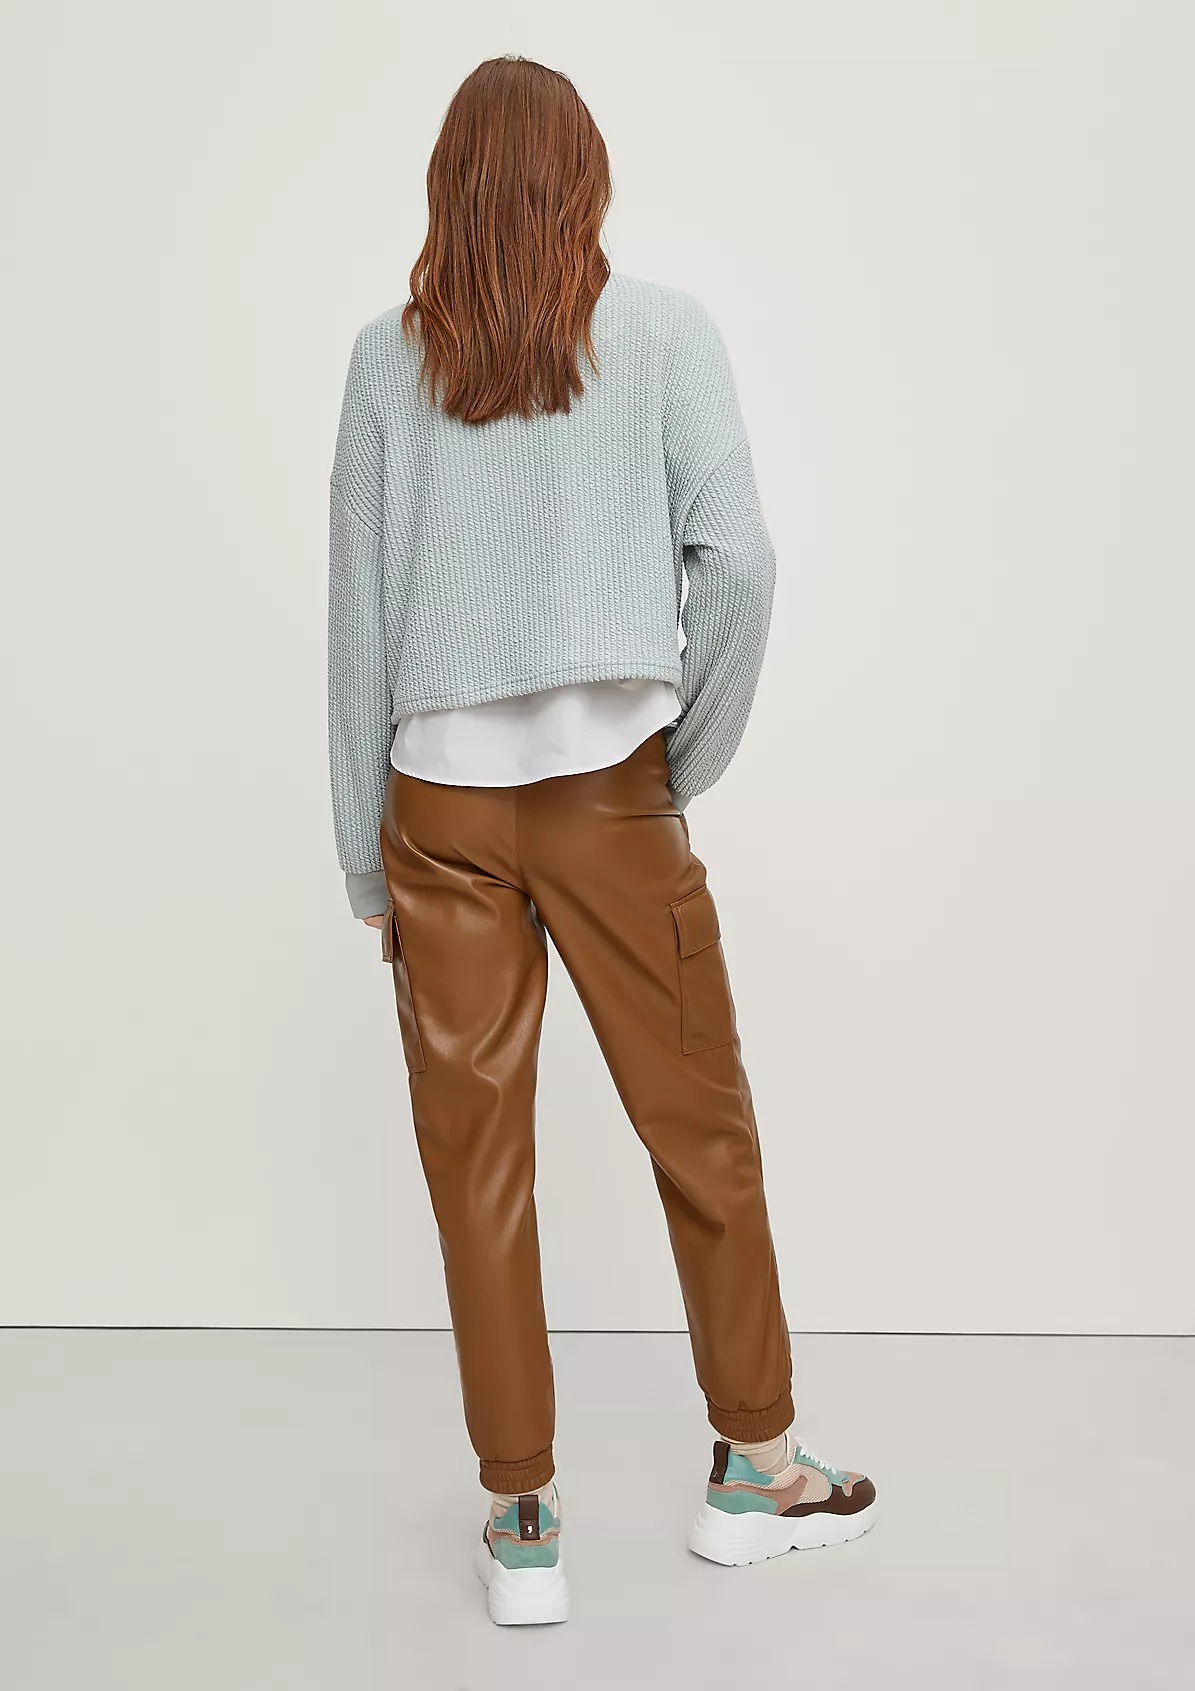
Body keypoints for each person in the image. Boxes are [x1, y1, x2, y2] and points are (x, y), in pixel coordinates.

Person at [327, 54, 875, 1627]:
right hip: (608, 798)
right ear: (588, 178)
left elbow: (357, 624)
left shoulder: (385, 360)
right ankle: (757, 1471)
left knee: (475, 1167)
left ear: (448, 183)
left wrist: (364, 856)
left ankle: (522, 1518)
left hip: (435, 812)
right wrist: (674, 764)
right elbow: (744, 563)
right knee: (702, 1130)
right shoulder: (663, 335)